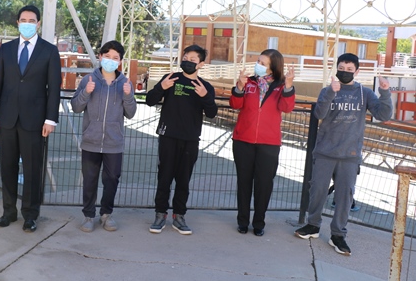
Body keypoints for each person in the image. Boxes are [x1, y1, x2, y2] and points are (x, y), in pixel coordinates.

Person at [295, 53, 392, 256]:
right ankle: (313, 225)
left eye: (349, 69)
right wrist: (331, 92)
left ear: (356, 71)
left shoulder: (364, 93)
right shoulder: (327, 90)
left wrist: (385, 92)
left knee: (345, 197)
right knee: (318, 191)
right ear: (336, 69)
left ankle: (338, 234)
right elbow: (319, 114)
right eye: (342, 68)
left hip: (350, 154)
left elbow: (383, 115)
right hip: (325, 152)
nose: (345, 72)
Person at [0, 4, 62, 233]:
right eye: (23, 20)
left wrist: (50, 119)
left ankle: (30, 215)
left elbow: (54, 89)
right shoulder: (6, 49)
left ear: (38, 23)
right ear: (17, 23)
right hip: (7, 118)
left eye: (32, 20)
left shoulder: (49, 51)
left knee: (32, 170)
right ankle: (8, 212)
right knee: (7, 167)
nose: (27, 23)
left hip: (35, 122)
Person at [146, 44, 217, 235]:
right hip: (168, 136)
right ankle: (160, 214)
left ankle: (179, 216)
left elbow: (212, 113)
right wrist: (161, 87)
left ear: (201, 64)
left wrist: (205, 97)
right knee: (164, 177)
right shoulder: (171, 79)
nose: (187, 61)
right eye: (185, 57)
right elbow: (150, 100)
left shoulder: (205, 87)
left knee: (183, 180)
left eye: (193, 59)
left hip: (191, 139)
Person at [70, 41, 137, 232]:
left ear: (120, 62)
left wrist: (128, 96)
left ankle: (106, 214)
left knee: (112, 180)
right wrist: (86, 92)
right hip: (91, 141)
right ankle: (88, 216)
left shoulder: (125, 83)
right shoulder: (88, 80)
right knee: (89, 180)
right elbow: (76, 107)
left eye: (115, 58)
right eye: (107, 56)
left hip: (114, 143)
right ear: (100, 57)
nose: (110, 60)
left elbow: (131, 113)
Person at [230, 49, 295, 236]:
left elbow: (286, 107)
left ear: (273, 68)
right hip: (243, 140)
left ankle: (259, 222)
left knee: (264, 184)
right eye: (258, 61)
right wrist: (239, 88)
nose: (258, 65)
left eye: (263, 63)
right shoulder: (248, 82)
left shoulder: (282, 86)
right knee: (244, 182)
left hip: (269, 143)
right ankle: (242, 221)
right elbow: (235, 104)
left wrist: (289, 87)